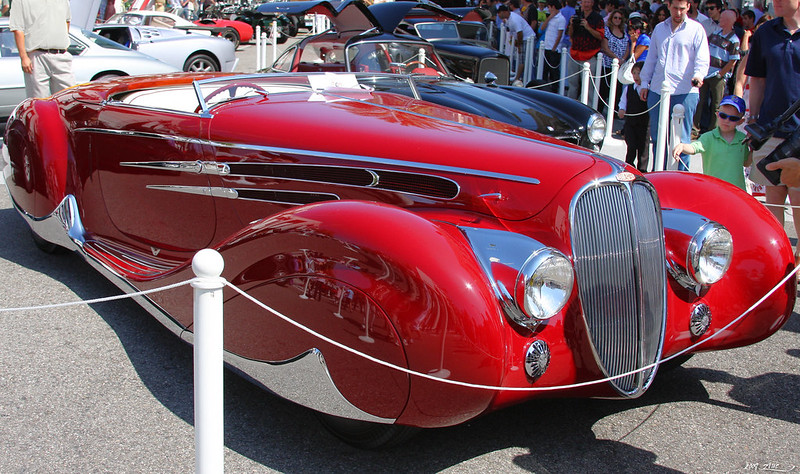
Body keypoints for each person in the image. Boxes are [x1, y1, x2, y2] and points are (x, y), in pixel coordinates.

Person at [745, 0, 800, 257]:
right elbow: (757, 79)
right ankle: (779, 263)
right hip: (770, 129)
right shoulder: (765, 32)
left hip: (799, 136)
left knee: (798, 203)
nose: (774, 1)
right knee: (773, 202)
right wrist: (753, 119)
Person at [639, 0, 709, 171]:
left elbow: (702, 59)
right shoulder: (659, 29)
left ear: (688, 7)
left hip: (685, 90)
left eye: (682, 9)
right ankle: (659, 173)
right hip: (658, 90)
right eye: (675, 8)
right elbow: (651, 58)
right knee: (658, 138)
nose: (678, 13)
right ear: (668, 6)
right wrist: (644, 83)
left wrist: (698, 75)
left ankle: (681, 177)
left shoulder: (696, 29)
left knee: (681, 140)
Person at [672, 95, 752, 189]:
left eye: (733, 118)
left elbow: (746, 162)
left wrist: (754, 150)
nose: (727, 120)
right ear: (717, 114)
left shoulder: (742, 139)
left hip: (736, 190)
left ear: (740, 121)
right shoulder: (709, 137)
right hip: (713, 189)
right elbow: (694, 148)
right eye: (723, 116)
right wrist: (682, 146)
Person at [8, 0, 75, 100]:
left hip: (61, 55)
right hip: (36, 56)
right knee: (39, 101)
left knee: (69, 100)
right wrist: (24, 57)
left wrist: (63, 42)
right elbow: (17, 29)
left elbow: (67, 21)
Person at [693, 9, 740, 135]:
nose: (720, 20)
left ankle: (713, 130)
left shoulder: (734, 40)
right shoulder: (715, 33)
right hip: (706, 72)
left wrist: (721, 74)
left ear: (729, 21)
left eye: (723, 18)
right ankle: (695, 129)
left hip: (718, 75)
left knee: (716, 104)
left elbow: (733, 60)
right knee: (700, 101)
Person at [565, 0, 605, 99]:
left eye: (589, 2)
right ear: (581, 3)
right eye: (585, 2)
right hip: (575, 54)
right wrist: (571, 24)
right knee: (572, 84)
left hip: (590, 55)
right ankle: (570, 104)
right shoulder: (576, 16)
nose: (586, 4)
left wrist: (588, 27)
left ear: (592, 3)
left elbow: (600, 36)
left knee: (589, 86)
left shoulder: (598, 18)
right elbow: (570, 34)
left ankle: (588, 106)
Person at [618, 61, 651, 171]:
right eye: (634, 73)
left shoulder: (648, 89)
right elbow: (623, 101)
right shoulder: (629, 88)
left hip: (644, 123)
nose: (636, 76)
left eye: (639, 73)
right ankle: (629, 167)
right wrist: (622, 109)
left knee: (643, 147)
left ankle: (642, 169)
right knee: (631, 146)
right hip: (630, 122)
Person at [599, 9, 630, 113]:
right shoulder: (607, 30)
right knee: (603, 90)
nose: (617, 20)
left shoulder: (624, 32)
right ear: (611, 18)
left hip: (620, 67)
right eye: (615, 17)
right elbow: (605, 48)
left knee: (617, 90)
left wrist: (623, 59)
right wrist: (616, 58)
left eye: (619, 18)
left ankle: (614, 112)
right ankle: (599, 111)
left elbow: (627, 47)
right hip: (607, 65)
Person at [498, 3, 536, 85]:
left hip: (527, 39)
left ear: (504, 12)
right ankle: (519, 77)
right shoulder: (509, 19)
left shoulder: (514, 20)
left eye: (499, 13)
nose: (499, 15)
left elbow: (520, 33)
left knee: (524, 60)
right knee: (522, 59)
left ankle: (518, 78)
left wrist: (518, 45)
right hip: (523, 39)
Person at [541, 0, 567, 89]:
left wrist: (554, 47)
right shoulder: (550, 18)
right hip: (547, 46)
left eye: (549, 7)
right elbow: (542, 28)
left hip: (554, 48)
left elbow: (559, 35)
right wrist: (549, 17)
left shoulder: (561, 19)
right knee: (545, 70)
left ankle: (555, 88)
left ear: (553, 7)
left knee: (554, 71)